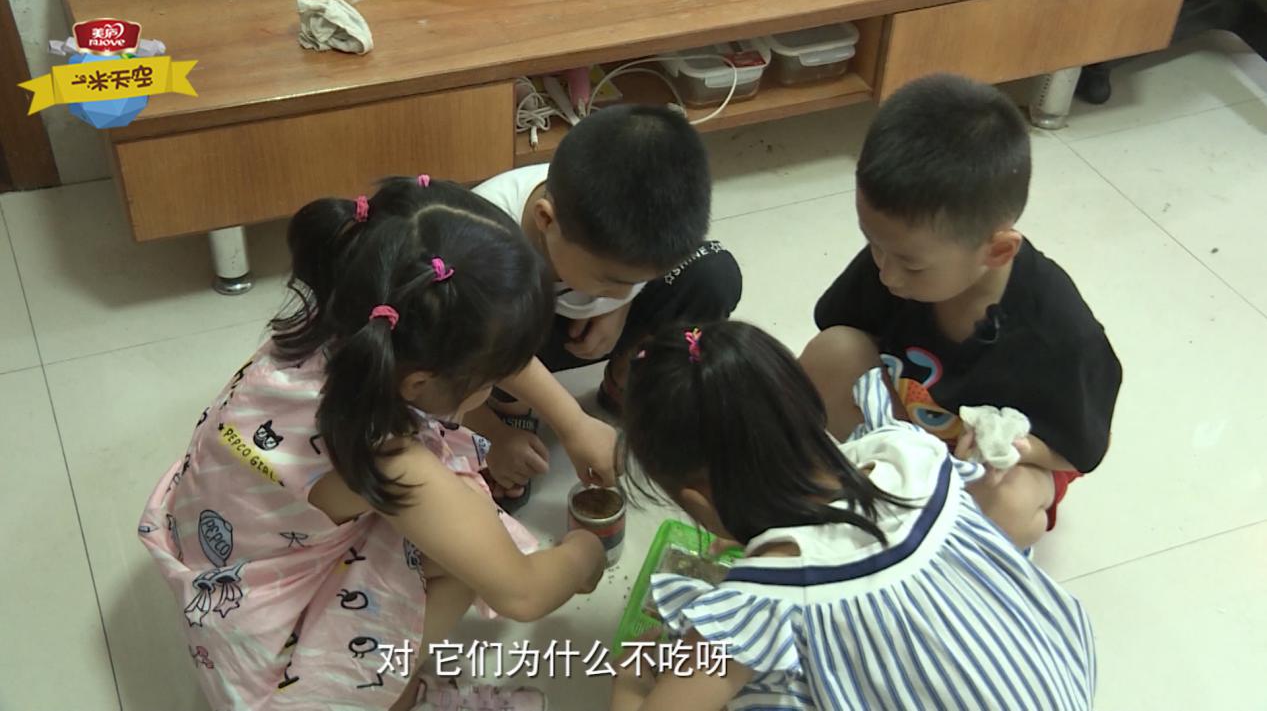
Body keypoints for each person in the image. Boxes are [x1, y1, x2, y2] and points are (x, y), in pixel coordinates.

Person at [138, 176, 605, 711]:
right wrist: (584, 555)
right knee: (471, 549)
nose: (495, 388)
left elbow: (474, 342)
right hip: (265, 663)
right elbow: (521, 591)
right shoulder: (387, 458)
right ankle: (394, 700)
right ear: (420, 383)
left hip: (223, 569)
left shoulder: (352, 321)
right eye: (489, 382)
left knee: (459, 528)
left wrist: (573, 422)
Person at [611, 321, 1096, 710]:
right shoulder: (913, 453)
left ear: (698, 502)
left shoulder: (761, 602)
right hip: (1056, 682)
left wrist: (630, 677)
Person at [802, 73, 1122, 549]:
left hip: (997, 459)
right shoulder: (899, 253)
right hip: (914, 417)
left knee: (1006, 504)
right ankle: (875, 495)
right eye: (873, 245)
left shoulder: (1061, 333)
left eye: (911, 264)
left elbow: (1084, 447)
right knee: (832, 353)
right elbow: (839, 345)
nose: (886, 273)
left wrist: (1014, 446)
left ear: (997, 251)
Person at [467, 103, 743, 508]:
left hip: (572, 321)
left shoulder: (622, 221)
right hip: (501, 341)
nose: (619, 291)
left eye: (634, 281)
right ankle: (504, 413)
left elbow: (637, 273)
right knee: (484, 328)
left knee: (713, 273)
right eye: (612, 281)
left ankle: (629, 382)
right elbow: (438, 355)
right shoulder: (482, 238)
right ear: (546, 220)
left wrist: (620, 305)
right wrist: (562, 425)